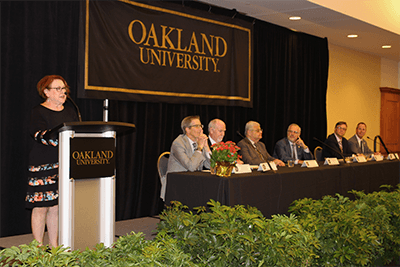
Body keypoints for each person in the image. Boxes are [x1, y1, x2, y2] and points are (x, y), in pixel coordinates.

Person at [26, 75, 79, 248]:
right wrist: (59, 139)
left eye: (64, 88)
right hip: (43, 165)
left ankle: (54, 245)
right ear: (46, 92)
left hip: (63, 165)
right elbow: (38, 134)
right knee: (41, 206)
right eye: (58, 89)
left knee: (56, 207)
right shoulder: (38, 111)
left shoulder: (71, 112)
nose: (63, 92)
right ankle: (38, 246)